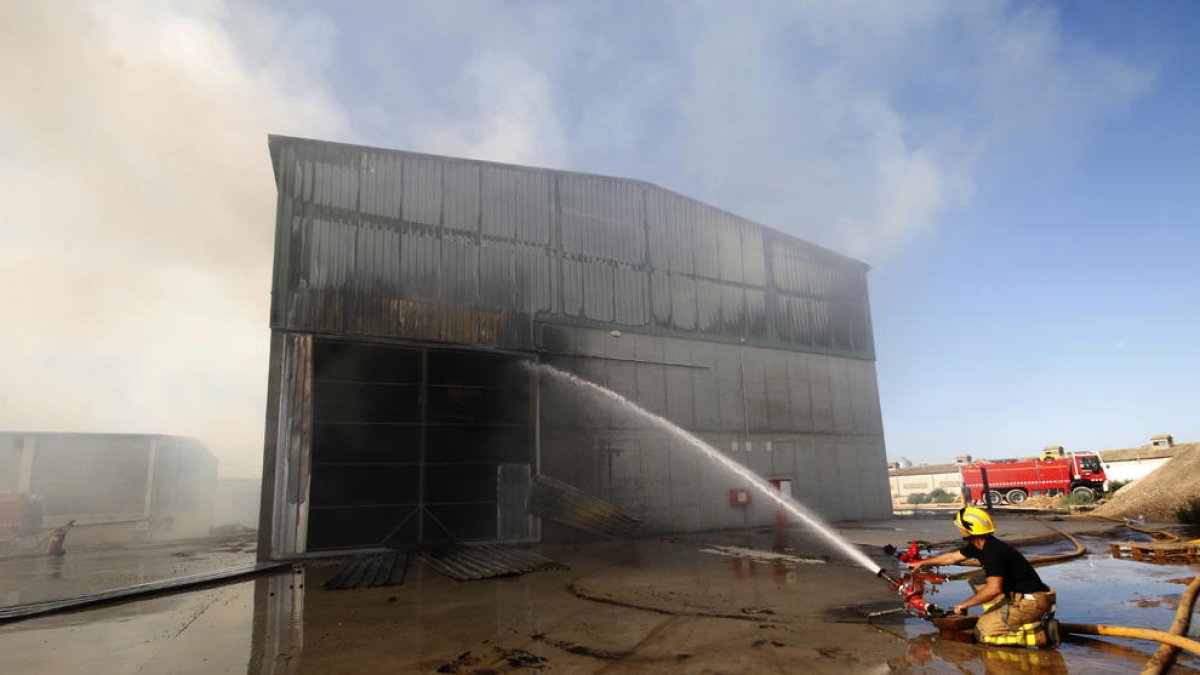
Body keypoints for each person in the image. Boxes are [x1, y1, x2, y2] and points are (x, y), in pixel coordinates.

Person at [908, 507, 1059, 648]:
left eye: (961, 526)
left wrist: (964, 605)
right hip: (1023, 596)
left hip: (1031, 603)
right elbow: (952, 557)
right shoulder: (981, 545)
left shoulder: (992, 552)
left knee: (983, 633)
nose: (959, 528)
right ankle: (997, 615)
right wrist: (922, 563)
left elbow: (994, 589)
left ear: (969, 529)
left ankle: (1042, 634)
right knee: (978, 580)